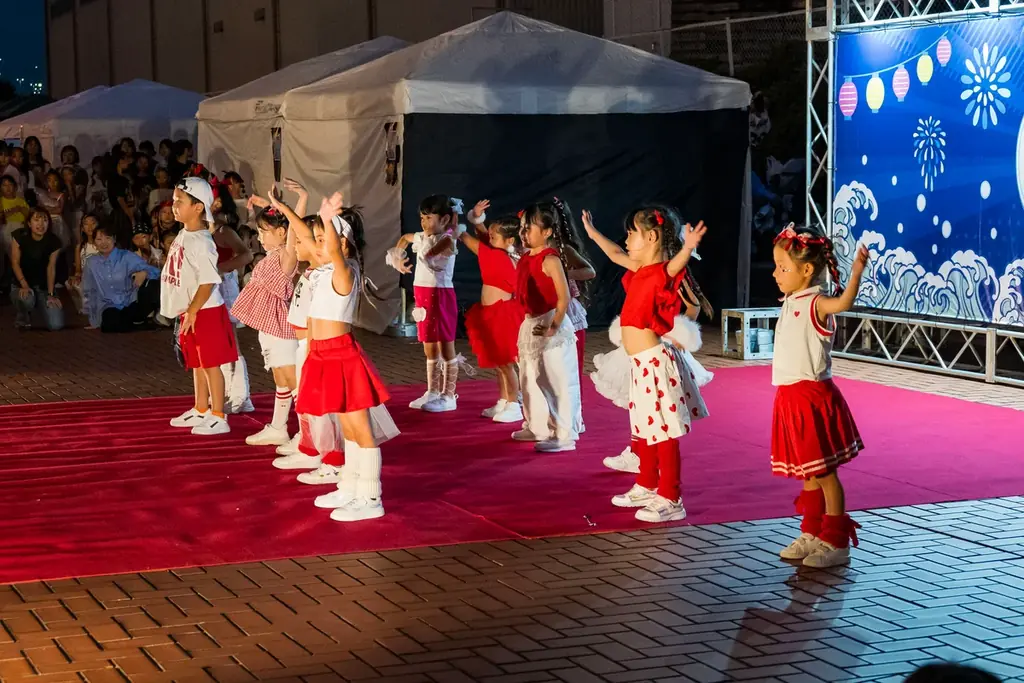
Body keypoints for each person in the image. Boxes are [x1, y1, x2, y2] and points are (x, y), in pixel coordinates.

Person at [581, 206, 708, 522]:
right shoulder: (638, 267)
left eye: (631, 233)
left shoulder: (663, 270)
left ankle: (671, 496)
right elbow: (613, 253)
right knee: (644, 427)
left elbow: (677, 263)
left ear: (651, 236)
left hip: (655, 362)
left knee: (664, 431)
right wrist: (593, 232)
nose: (625, 239)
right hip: (639, 363)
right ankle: (647, 483)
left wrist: (689, 247)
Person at [772, 223, 869, 568]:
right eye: (777, 266)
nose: (775, 273)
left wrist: (856, 272)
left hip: (812, 398)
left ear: (807, 270)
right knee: (808, 472)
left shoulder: (817, 303)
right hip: (789, 398)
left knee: (825, 473)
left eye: (783, 267)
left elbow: (844, 301)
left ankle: (836, 540)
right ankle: (812, 531)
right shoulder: (790, 301)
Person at [297, 193, 392, 522]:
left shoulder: (344, 270)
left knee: (359, 428)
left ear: (344, 245)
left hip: (341, 354)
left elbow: (333, 250)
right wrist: (286, 208)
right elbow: (306, 238)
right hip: (323, 354)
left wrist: (327, 221)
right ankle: (350, 486)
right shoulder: (323, 270)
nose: (318, 245)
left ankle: (370, 496)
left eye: (327, 240)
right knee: (347, 427)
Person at [160, 177, 238, 436]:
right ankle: (200, 408)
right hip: (191, 310)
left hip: (205, 310)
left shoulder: (202, 242)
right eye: (174, 201)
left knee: (211, 364)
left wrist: (193, 310)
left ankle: (218, 414)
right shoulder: (185, 233)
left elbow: (208, 280)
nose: (174, 206)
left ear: (198, 207)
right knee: (196, 362)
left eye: (179, 202)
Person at [513, 199, 583, 452]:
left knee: (556, 379)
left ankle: (563, 433)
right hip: (531, 322)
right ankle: (537, 425)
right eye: (522, 227)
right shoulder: (525, 257)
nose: (523, 233)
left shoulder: (550, 259)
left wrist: (554, 325)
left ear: (547, 232)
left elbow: (563, 297)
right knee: (530, 377)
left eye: (528, 228)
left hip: (550, 321)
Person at [386, 195, 465, 413]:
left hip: (440, 296)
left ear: (444, 219)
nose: (423, 222)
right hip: (423, 297)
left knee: (445, 345)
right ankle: (432, 391)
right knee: (429, 346)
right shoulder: (421, 237)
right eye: (422, 217)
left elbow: (440, 247)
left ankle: (449, 395)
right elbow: (404, 238)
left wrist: (451, 227)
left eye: (429, 217)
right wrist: (397, 259)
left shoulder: (449, 239)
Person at [231, 203, 300, 447]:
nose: (259, 236)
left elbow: (293, 227)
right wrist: (266, 203)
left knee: (293, 381)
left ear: (282, 232)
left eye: (264, 231)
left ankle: (307, 434)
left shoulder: (287, 254)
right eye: (258, 231)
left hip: (281, 326)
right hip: (269, 326)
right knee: (281, 378)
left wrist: (297, 201)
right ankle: (279, 426)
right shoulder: (272, 255)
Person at [457, 203, 526, 423]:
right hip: (490, 313)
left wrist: (458, 230)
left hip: (501, 315)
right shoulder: (499, 252)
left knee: (506, 362)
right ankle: (505, 400)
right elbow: (486, 240)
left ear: (510, 241)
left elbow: (478, 245)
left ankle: (514, 402)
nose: (490, 237)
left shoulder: (499, 257)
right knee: (499, 363)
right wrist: (477, 219)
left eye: (495, 236)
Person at [82, 224, 161, 332]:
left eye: (108, 238)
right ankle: (137, 324)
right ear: (94, 243)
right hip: (108, 305)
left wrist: (144, 272)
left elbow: (156, 272)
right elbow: (89, 291)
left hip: (131, 302)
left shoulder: (126, 256)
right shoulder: (91, 262)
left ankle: (136, 321)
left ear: (114, 239)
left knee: (154, 287)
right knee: (110, 324)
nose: (104, 243)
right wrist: (94, 320)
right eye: (99, 239)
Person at [9, 209, 64, 331]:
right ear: (29, 223)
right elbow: (15, 263)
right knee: (27, 298)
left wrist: (50, 294)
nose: (41, 224)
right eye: (36, 220)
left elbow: (51, 268)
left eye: (45, 220)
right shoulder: (19, 236)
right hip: (21, 285)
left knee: (56, 325)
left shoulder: (54, 241)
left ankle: (40, 306)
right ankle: (23, 314)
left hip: (43, 287)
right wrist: (24, 285)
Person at [69, 213, 101, 318]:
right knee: (71, 283)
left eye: (93, 223)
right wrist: (77, 275)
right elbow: (78, 268)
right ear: (82, 228)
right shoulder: (80, 247)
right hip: (86, 278)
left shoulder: (103, 245)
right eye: (86, 224)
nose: (90, 227)